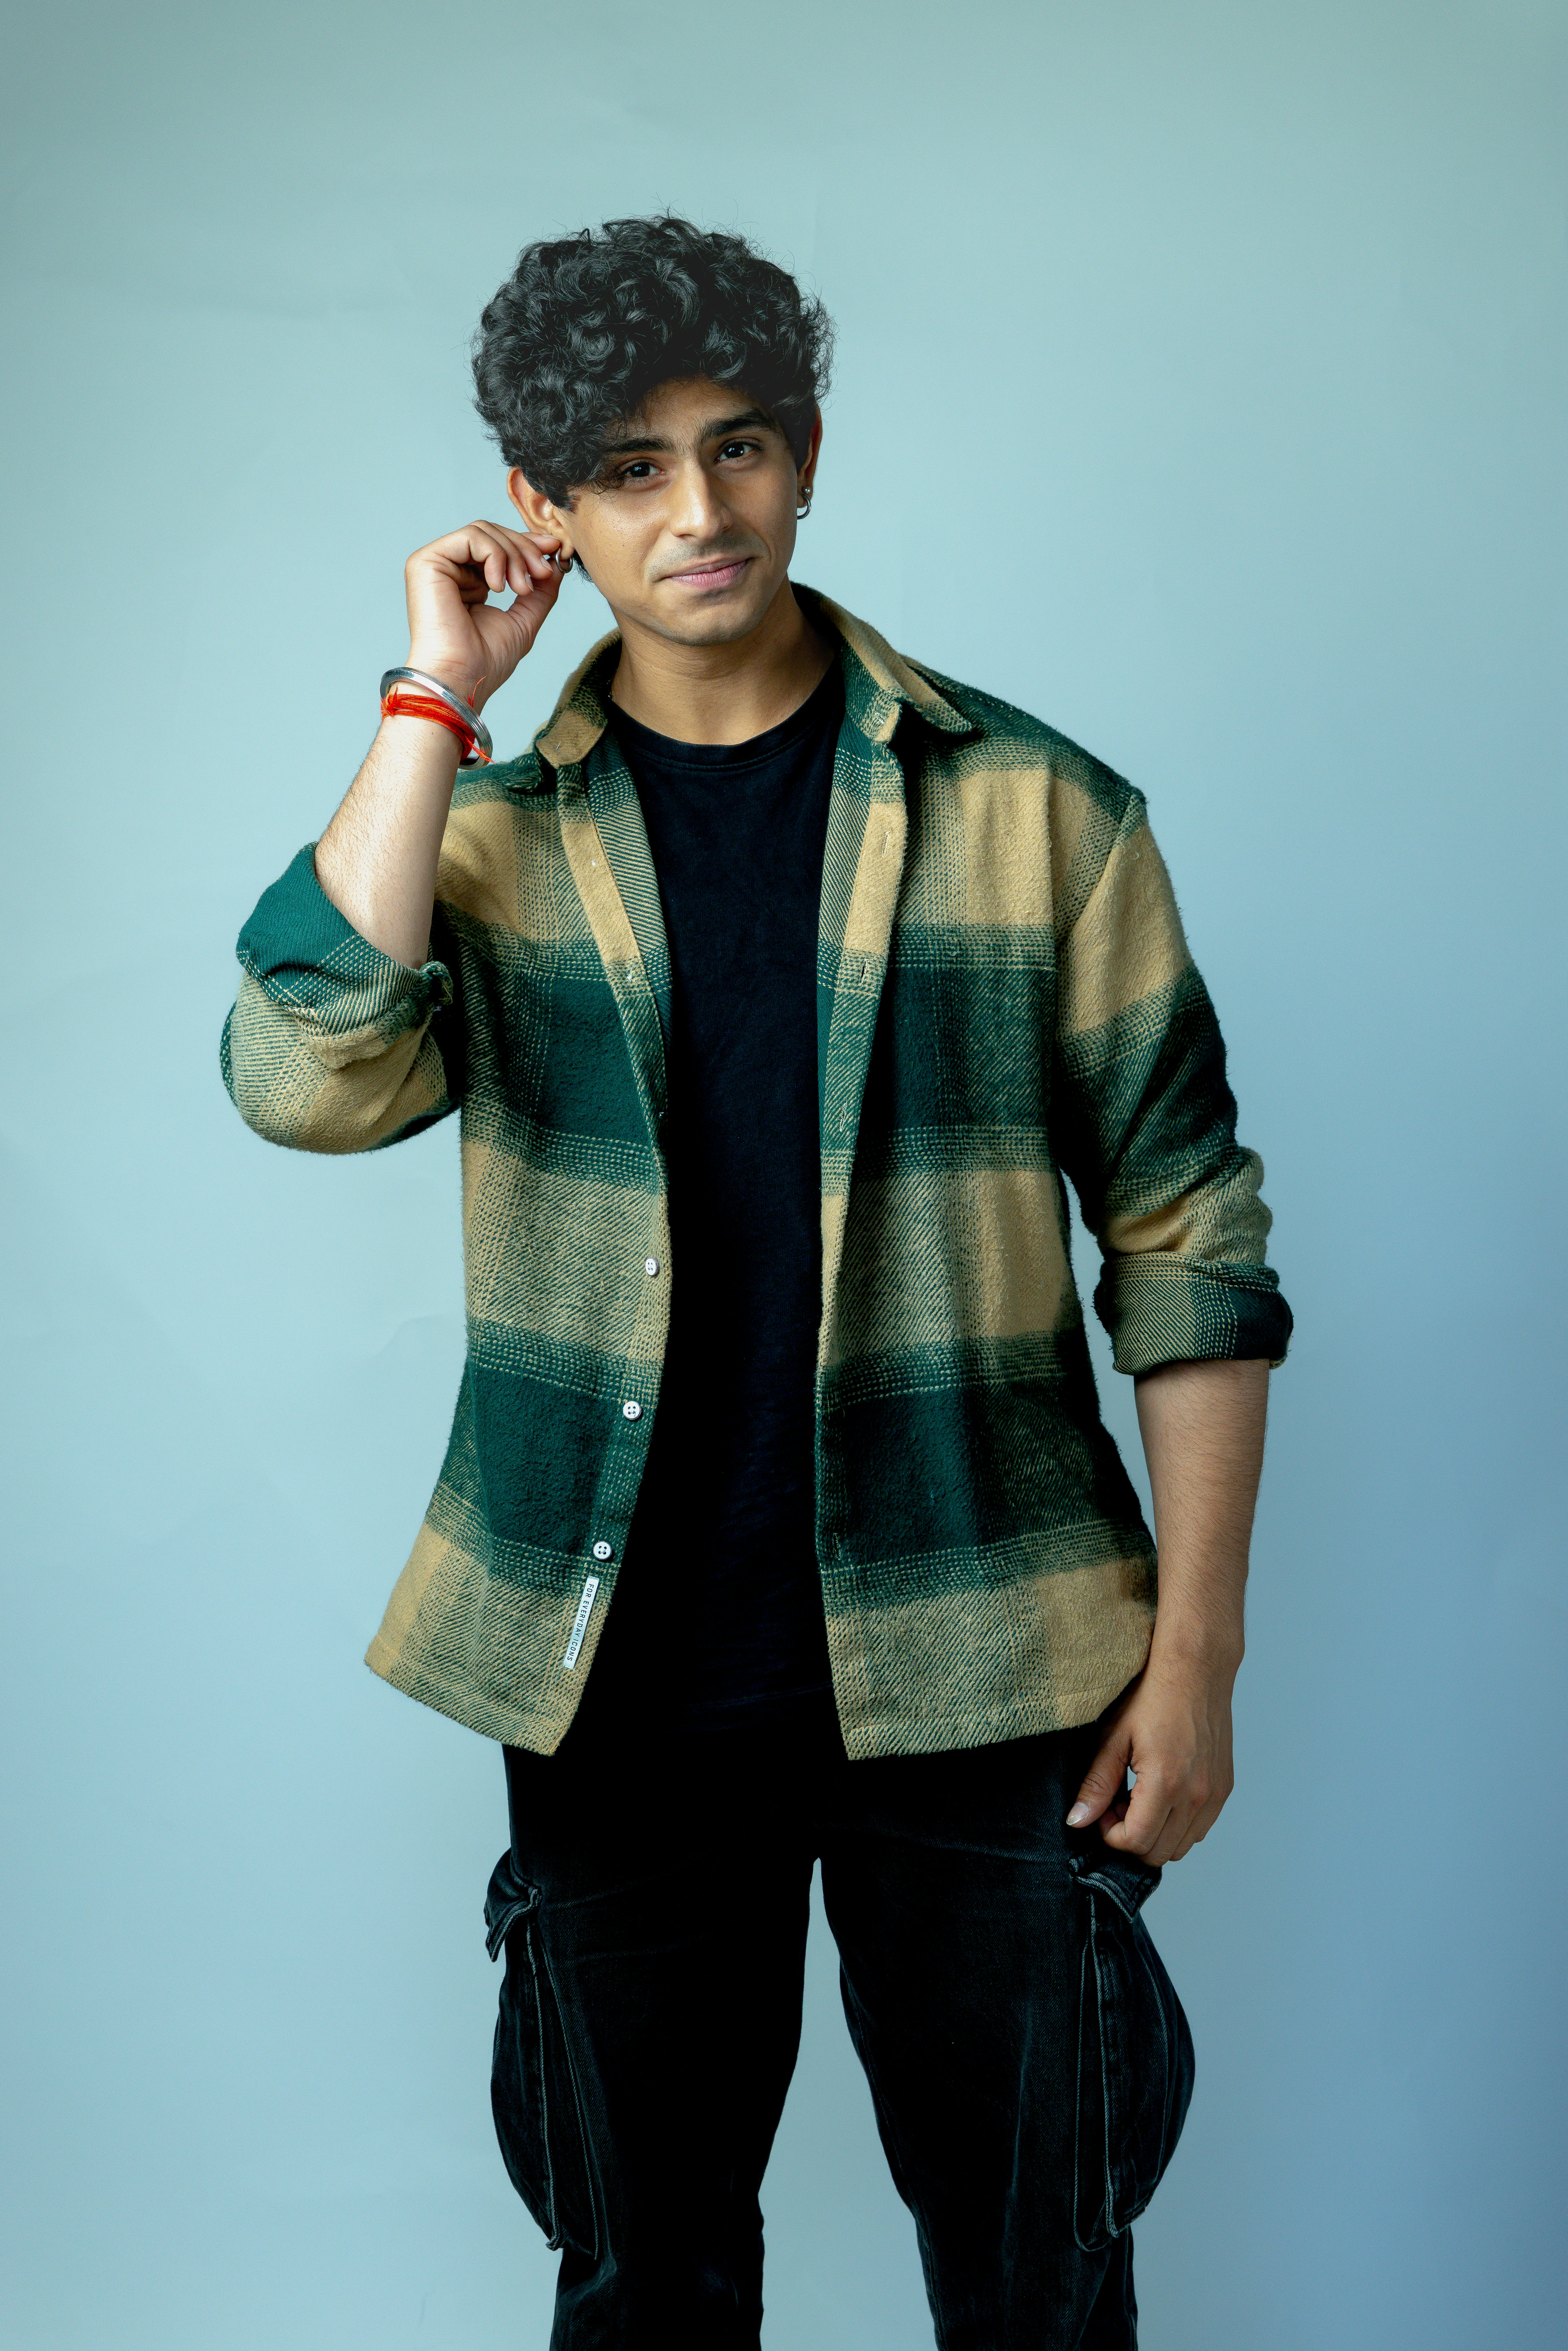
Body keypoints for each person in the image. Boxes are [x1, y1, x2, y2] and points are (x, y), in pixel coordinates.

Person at [222, 214, 1291, 2349]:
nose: (698, 511)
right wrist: (437, 697)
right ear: (540, 507)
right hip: (614, 1669)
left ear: (807, 453)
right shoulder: (485, 840)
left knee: (1042, 2283)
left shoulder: (1036, 812)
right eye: (627, 468)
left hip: (990, 1653)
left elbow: (1187, 1236)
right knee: (647, 2287)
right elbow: (304, 1078)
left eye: (737, 447)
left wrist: (1197, 1663)